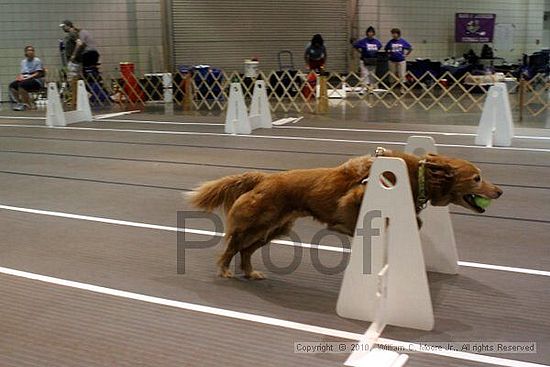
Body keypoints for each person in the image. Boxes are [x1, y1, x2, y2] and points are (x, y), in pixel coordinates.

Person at [9, 45, 45, 111]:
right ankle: (20, 103)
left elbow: (38, 73)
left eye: (32, 50)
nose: (31, 52)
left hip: (36, 80)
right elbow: (22, 73)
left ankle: (27, 104)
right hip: (25, 79)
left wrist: (28, 77)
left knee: (22, 85)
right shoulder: (23, 62)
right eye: (29, 50)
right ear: (25, 52)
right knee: (12, 85)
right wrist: (20, 77)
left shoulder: (37, 60)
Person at [384, 28, 412, 92]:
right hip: (392, 60)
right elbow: (386, 48)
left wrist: (406, 55)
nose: (393, 35)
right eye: (392, 33)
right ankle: (391, 87)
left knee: (401, 74)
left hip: (401, 60)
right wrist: (388, 54)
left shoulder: (402, 41)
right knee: (392, 74)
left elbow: (410, 48)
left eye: (395, 33)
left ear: (398, 34)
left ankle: (402, 88)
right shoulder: (390, 42)